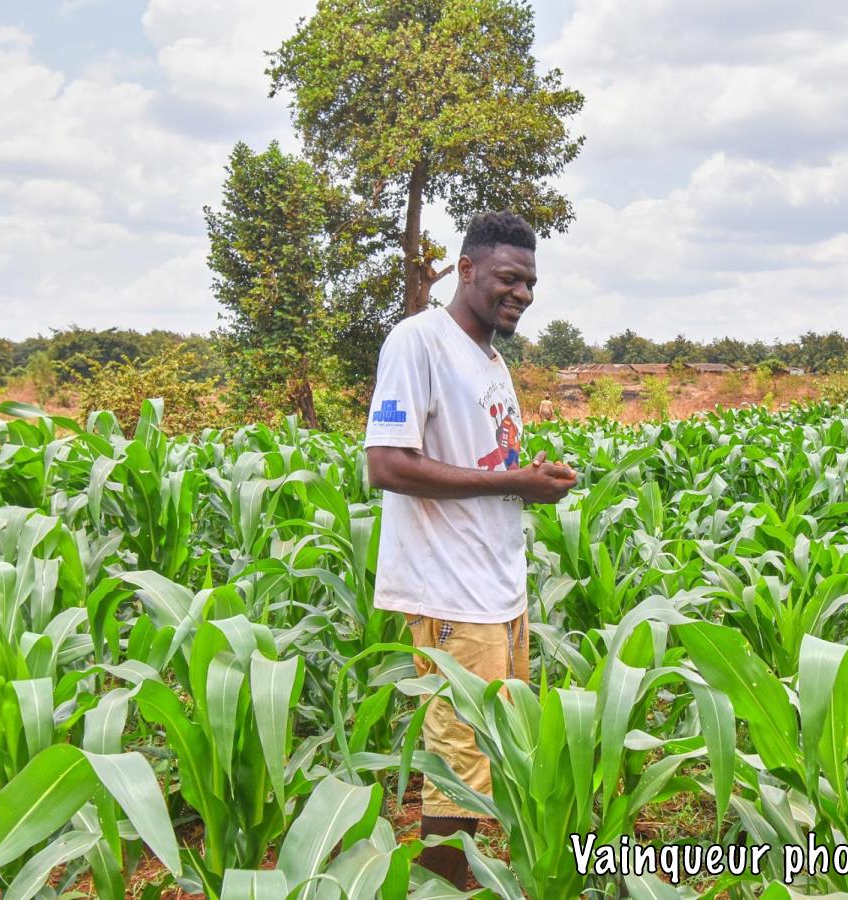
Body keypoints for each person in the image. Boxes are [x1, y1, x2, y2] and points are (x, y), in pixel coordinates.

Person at [364, 210, 578, 889]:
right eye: (508, 278)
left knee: (491, 757)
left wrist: (528, 476)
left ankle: (463, 879)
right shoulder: (419, 341)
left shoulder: (490, 360)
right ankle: (438, 889)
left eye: (530, 283)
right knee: (460, 773)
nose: (522, 293)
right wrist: (514, 482)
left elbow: (485, 462)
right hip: (452, 592)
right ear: (465, 270)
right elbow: (387, 464)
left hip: (497, 588)